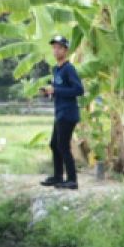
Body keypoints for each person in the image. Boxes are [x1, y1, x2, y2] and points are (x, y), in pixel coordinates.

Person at [39, 35, 84, 190]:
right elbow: (58, 89)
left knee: (63, 145)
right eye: (54, 47)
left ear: (66, 50)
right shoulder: (56, 69)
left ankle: (72, 180)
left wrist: (56, 90)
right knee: (54, 144)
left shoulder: (69, 69)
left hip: (68, 114)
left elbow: (78, 90)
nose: (56, 50)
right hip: (60, 112)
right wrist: (48, 92)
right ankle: (58, 176)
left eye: (59, 47)